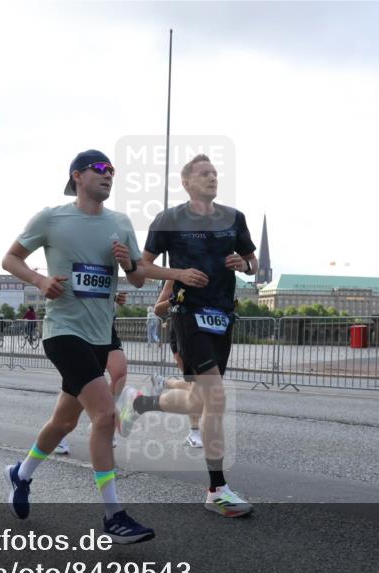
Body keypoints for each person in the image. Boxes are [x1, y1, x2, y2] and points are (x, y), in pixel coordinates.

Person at [1, 148, 153, 544]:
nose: (108, 175)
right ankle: (113, 515)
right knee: (104, 416)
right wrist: (39, 281)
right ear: (77, 176)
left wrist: (128, 263)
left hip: (100, 336)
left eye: (112, 171)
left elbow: (137, 281)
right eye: (100, 169)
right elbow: (10, 258)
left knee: (64, 422)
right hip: (63, 332)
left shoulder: (120, 223)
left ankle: (21, 474)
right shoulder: (52, 218)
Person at [121, 154, 258, 517]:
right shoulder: (169, 219)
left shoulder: (234, 218)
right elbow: (142, 266)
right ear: (186, 182)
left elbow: (255, 263)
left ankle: (139, 403)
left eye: (215, 172)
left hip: (223, 316)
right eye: (204, 174)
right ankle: (217, 489)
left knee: (201, 401)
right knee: (215, 398)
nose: (212, 178)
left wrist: (244, 265)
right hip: (188, 314)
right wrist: (179, 275)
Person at [54, 292, 129, 455]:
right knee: (77, 389)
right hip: (80, 327)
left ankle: (103, 420)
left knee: (120, 372)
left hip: (105, 326)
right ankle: (58, 434)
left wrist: (114, 296)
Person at [152, 279, 203, 448]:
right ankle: (194, 432)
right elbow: (158, 308)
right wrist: (176, 299)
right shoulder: (174, 277)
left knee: (197, 386)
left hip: (207, 335)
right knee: (197, 385)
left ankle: (162, 383)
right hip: (182, 333)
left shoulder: (214, 271)